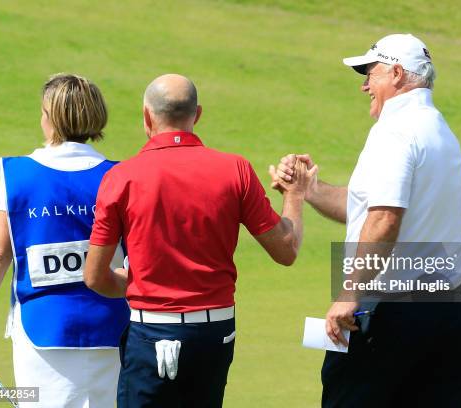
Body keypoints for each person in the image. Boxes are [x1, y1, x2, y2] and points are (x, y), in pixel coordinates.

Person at [84, 73, 315, 407]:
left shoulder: (121, 178)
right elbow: (286, 250)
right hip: (215, 333)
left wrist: (136, 282)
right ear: (198, 114)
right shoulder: (235, 169)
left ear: (147, 117)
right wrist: (295, 194)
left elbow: (93, 276)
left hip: (151, 332)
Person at [271, 34, 461, 407]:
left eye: (371, 74)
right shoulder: (439, 129)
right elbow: (365, 206)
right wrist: (309, 189)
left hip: (391, 315)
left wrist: (350, 292)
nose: (365, 85)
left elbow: (384, 219)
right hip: (447, 314)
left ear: (396, 73)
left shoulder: (395, 132)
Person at [0, 74, 130, 407]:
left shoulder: (18, 175)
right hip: (114, 326)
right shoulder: (120, 175)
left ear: (50, 117)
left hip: (40, 328)